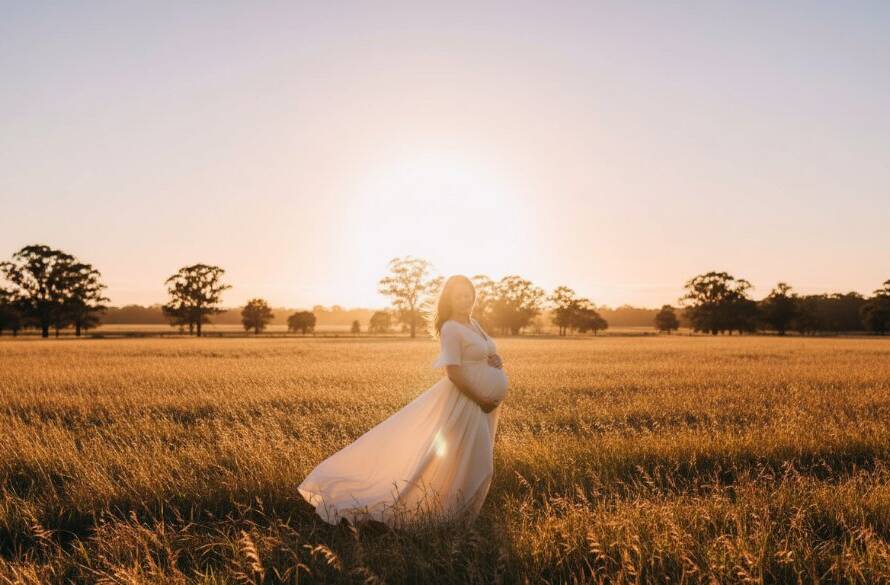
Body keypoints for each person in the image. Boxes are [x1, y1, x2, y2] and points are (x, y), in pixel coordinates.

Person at [297, 274, 508, 528]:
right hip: (467, 401)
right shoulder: (451, 327)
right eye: (459, 295)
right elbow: (452, 371)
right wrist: (481, 398)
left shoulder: (474, 323)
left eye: (468, 294)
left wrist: (496, 361)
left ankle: (458, 515)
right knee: (473, 461)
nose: (465, 299)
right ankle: (441, 513)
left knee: (468, 458)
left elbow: (484, 354)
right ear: (449, 300)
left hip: (484, 404)